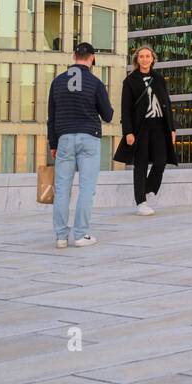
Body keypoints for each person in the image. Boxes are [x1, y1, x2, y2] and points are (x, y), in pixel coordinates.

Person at [48, 42, 114, 248]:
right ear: (92, 58)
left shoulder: (57, 82)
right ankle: (80, 234)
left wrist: (53, 143)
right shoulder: (95, 82)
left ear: (73, 56)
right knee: (86, 188)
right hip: (89, 137)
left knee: (62, 189)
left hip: (64, 138)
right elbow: (108, 115)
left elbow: (51, 116)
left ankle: (60, 236)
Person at [115, 45, 177, 215]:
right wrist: (128, 132)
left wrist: (172, 129)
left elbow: (167, 105)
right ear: (137, 60)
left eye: (147, 56)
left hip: (159, 126)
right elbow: (125, 109)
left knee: (161, 162)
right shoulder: (130, 81)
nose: (144, 59)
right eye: (141, 56)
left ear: (152, 59)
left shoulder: (159, 79)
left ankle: (148, 188)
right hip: (140, 128)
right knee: (140, 165)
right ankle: (141, 202)